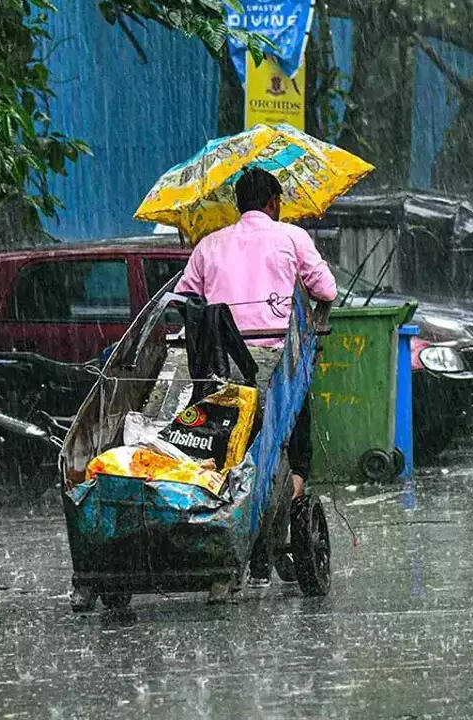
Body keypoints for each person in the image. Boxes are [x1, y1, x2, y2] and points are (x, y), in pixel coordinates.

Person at [175, 166, 339, 587]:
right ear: (273, 204)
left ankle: (223, 512)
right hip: (275, 357)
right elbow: (327, 291)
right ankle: (282, 510)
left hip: (220, 366)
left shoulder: (208, 245)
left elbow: (185, 302)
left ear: (237, 205)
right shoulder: (291, 237)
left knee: (226, 446)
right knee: (296, 443)